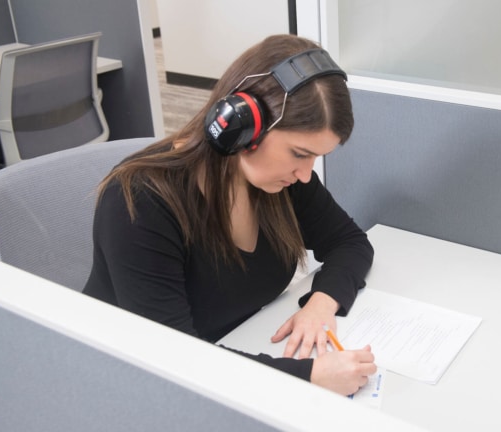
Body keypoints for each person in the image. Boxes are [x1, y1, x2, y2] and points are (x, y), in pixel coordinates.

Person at [83, 34, 376, 396]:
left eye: (316, 157)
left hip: (230, 359)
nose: (306, 173)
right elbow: (174, 358)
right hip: (135, 384)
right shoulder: (140, 203)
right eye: (300, 153)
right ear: (242, 123)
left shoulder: (280, 183)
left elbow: (350, 242)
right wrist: (308, 377)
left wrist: (321, 302)